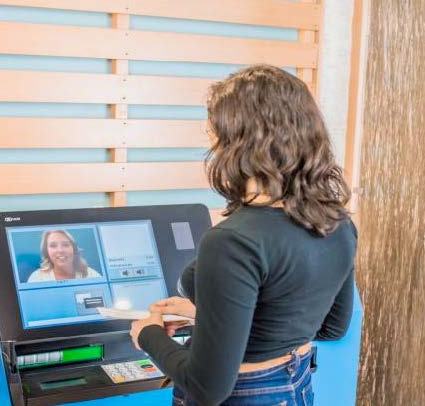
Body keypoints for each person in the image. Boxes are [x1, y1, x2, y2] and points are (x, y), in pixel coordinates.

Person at [129, 64, 357, 406]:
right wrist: (208, 316)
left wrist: (147, 335)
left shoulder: (233, 241)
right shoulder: (338, 223)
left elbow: (207, 387)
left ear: (238, 142)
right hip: (296, 387)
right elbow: (328, 327)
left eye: (213, 132)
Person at [27, 230, 101, 282]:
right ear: (46, 251)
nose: (60, 250)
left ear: (74, 249)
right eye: (53, 246)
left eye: (65, 245)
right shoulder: (37, 278)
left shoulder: (91, 275)